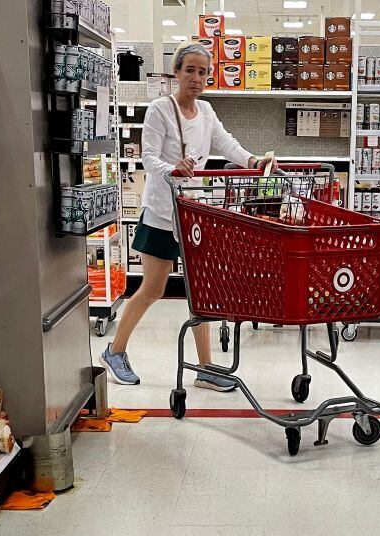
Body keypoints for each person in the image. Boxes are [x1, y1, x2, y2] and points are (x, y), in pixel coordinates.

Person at [99, 43, 274, 389]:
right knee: (152, 289)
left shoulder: (207, 112)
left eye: (202, 72)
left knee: (201, 291)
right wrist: (172, 169)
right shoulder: (159, 110)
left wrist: (254, 162)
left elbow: (226, 144)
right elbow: (148, 157)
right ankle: (115, 351)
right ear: (176, 72)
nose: (196, 78)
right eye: (189, 70)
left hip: (193, 214)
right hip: (163, 213)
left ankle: (206, 369)